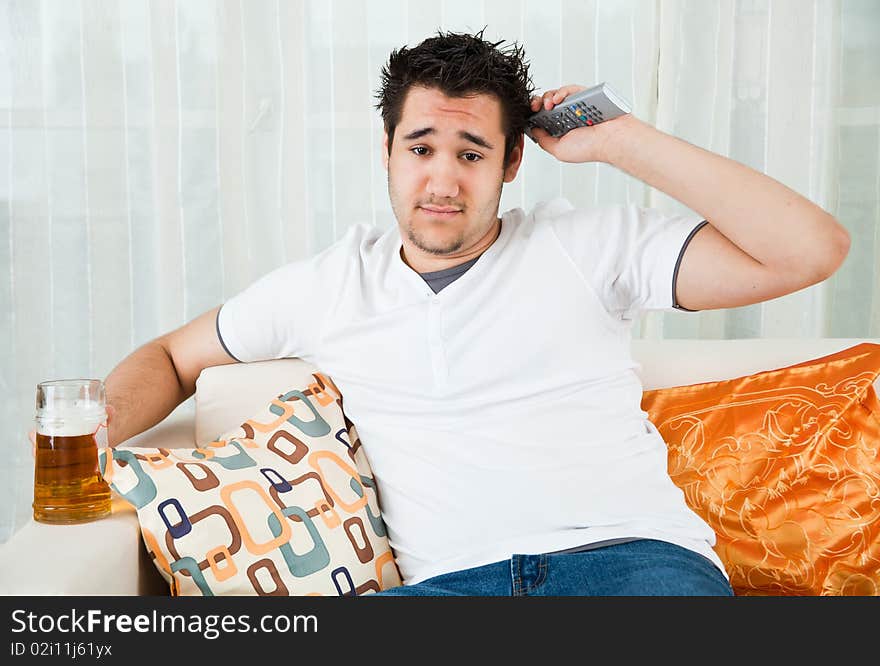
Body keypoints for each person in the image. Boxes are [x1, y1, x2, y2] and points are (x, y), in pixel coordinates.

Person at [66, 30, 851, 595]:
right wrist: (85, 434)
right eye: (421, 148)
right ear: (387, 151)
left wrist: (621, 140)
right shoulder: (331, 283)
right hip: (449, 589)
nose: (442, 179)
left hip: (633, 566)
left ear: (512, 162)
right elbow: (172, 358)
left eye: (472, 152)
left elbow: (808, 250)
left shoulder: (589, 245)